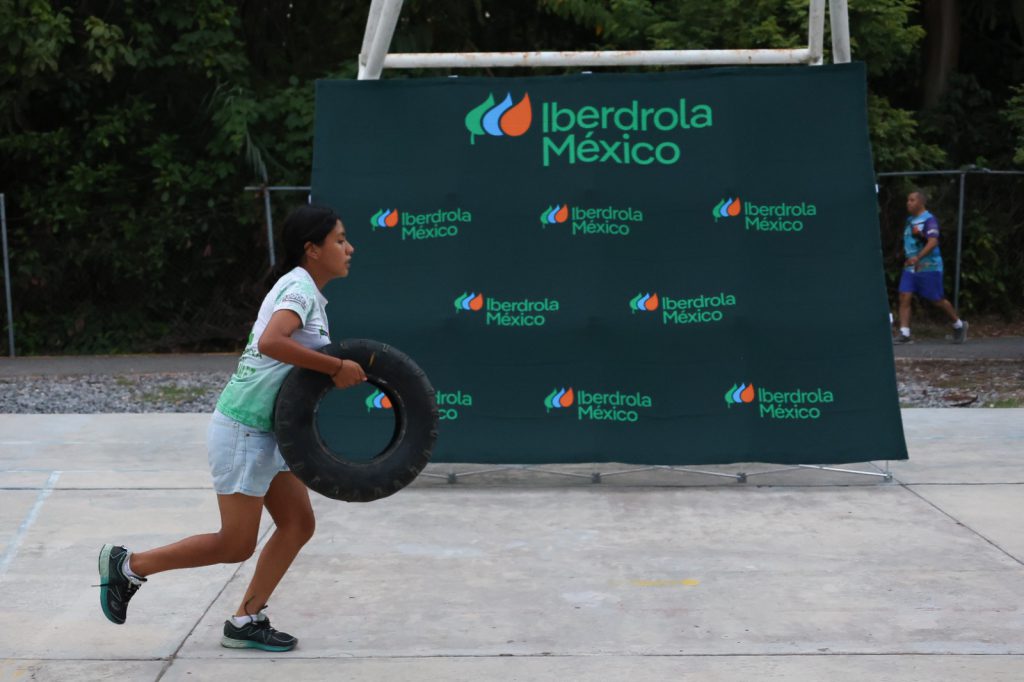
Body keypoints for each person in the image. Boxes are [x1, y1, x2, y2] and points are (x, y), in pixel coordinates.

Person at [96, 204, 365, 651]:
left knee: (297, 523)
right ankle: (129, 566)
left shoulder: (306, 292)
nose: (349, 247)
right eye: (339, 240)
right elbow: (272, 342)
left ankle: (246, 621)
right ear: (312, 249)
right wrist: (336, 365)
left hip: (269, 431)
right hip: (244, 428)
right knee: (236, 543)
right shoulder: (298, 290)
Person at [894, 190, 967, 344]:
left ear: (921, 202)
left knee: (936, 299)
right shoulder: (909, 221)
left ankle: (959, 325)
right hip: (910, 266)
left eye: (912, 200)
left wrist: (917, 257)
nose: (908, 203)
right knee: (904, 295)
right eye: (908, 200)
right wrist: (904, 255)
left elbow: (933, 242)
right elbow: (912, 240)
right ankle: (904, 333)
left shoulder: (929, 220)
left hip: (929, 265)